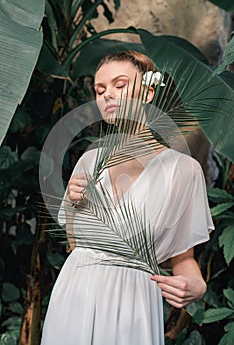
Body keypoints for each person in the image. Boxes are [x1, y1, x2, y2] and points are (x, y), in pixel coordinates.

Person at [40, 51, 214, 344]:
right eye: (100, 90)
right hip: (75, 295)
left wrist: (197, 285)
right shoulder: (90, 161)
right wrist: (72, 205)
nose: (108, 95)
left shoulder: (183, 171)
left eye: (119, 85)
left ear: (147, 92)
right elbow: (75, 246)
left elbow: (184, 258)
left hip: (133, 303)